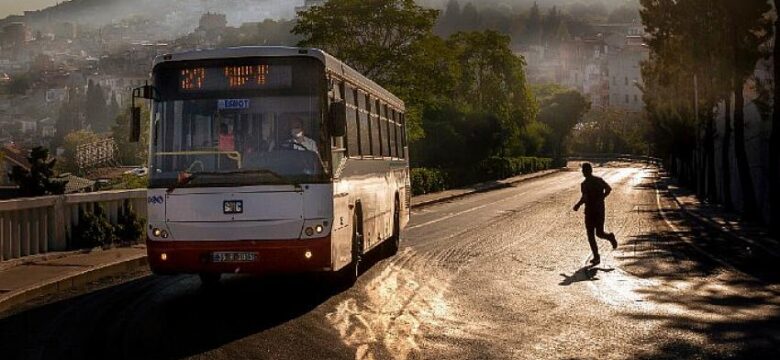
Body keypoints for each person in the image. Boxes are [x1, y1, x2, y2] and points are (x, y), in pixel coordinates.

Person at [573, 162, 618, 265]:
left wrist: (578, 205)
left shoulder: (585, 184)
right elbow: (608, 189)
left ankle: (607, 242)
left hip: (591, 212)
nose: (584, 172)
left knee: (594, 235)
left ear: (587, 171)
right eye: (583, 170)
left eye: (584, 170)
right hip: (598, 210)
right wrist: (602, 197)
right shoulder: (597, 180)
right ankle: (597, 255)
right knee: (597, 233)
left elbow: (585, 197)